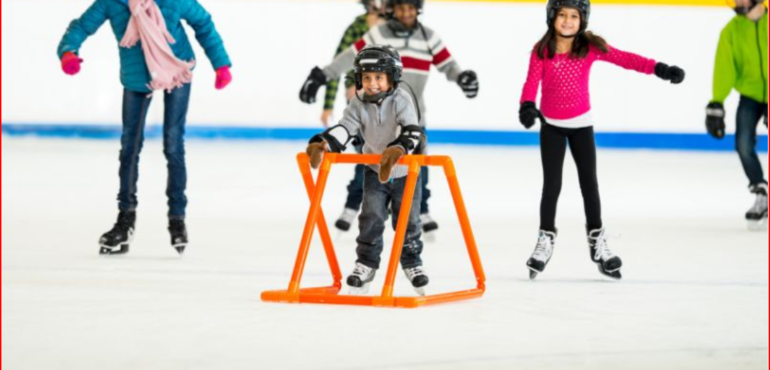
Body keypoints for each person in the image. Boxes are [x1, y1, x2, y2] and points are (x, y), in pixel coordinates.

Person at [518, 0, 685, 279]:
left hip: (582, 126)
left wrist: (660, 68)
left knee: (589, 184)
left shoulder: (590, 47)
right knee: (552, 185)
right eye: (562, 15)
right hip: (552, 127)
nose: (568, 21)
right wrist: (526, 105)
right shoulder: (542, 50)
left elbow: (625, 59)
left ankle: (597, 243)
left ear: (582, 19)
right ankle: (544, 239)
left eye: (574, 16)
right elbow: (531, 82)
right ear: (552, 17)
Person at [57, 0, 232, 255]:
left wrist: (221, 64)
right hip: (137, 77)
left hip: (176, 70)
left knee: (173, 144)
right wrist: (68, 51)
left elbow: (203, 23)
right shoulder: (112, 2)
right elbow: (83, 26)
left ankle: (177, 219)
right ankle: (125, 221)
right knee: (130, 147)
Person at [300, 0, 479, 237]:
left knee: (418, 168)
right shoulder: (379, 34)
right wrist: (322, 76)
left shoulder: (429, 38)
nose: (406, 13)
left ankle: (420, 209)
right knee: (370, 163)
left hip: (413, 118)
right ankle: (360, 206)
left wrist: (461, 77)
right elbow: (350, 57)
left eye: (410, 8)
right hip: (378, 117)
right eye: (401, 8)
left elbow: (448, 65)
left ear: (418, 9)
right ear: (392, 9)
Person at [305, 45, 429, 295]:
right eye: (367, 77)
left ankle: (412, 263)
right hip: (375, 170)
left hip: (406, 172)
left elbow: (413, 131)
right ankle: (366, 264)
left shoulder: (402, 99)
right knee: (371, 218)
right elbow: (346, 127)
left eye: (379, 77)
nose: (372, 83)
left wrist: (397, 150)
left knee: (408, 221)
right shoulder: (358, 102)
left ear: (393, 77)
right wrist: (325, 143)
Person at [322, 0, 387, 233]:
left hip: (390, 105)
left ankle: (383, 205)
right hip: (360, 105)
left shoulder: (395, 28)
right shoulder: (356, 28)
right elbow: (338, 63)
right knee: (365, 158)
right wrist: (329, 104)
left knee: (389, 158)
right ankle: (352, 206)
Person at [705, 0, 768, 231]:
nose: (738, 2)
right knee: (742, 143)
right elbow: (724, 67)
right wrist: (717, 101)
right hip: (749, 95)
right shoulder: (731, 31)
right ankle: (761, 192)